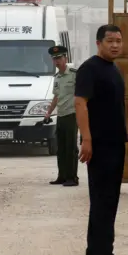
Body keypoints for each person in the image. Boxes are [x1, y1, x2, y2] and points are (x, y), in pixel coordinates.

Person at [74, 24, 128, 255]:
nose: (115, 45)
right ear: (99, 43)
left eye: (118, 40)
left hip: (114, 142)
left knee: (105, 199)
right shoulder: (90, 69)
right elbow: (80, 103)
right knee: (104, 199)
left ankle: (94, 251)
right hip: (101, 144)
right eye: (110, 41)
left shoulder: (111, 69)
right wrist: (87, 139)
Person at [45, 45, 79, 187]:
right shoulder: (57, 78)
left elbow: (81, 95)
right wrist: (48, 112)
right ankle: (62, 176)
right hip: (61, 115)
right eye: (54, 59)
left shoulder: (74, 74)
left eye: (59, 58)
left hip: (72, 115)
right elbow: (56, 97)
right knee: (61, 148)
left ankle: (72, 178)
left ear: (65, 58)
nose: (57, 61)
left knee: (71, 147)